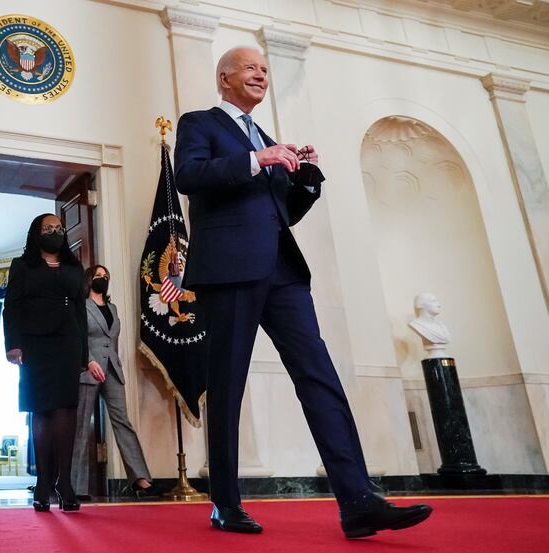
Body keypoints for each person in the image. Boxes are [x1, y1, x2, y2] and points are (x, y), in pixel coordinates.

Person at [173, 46, 432, 538]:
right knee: (227, 388)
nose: (261, 75)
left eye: (265, 70)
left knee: (320, 377)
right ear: (224, 77)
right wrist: (256, 159)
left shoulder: (266, 138)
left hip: (283, 272)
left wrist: (306, 180)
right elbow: (189, 176)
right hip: (228, 271)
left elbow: (281, 212)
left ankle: (357, 501)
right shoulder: (200, 123)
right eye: (251, 68)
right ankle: (225, 504)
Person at [3, 213, 87, 513]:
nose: (55, 232)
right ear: (36, 233)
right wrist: (13, 344)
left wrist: (84, 354)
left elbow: (80, 309)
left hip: (68, 342)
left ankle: (65, 484)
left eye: (59, 228)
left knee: (66, 410)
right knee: (41, 410)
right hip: (35, 343)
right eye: (48, 228)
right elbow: (11, 306)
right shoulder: (22, 265)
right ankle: (42, 483)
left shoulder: (75, 266)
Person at [71, 265, 158, 498]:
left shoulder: (113, 308)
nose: (103, 279)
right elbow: (77, 338)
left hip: (113, 371)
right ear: (89, 280)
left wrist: (114, 366)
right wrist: (89, 362)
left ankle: (141, 478)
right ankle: (75, 486)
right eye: (98, 276)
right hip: (88, 370)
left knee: (122, 422)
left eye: (106, 276)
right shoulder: (81, 307)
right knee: (81, 428)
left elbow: (112, 340)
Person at [408, 293, 451, 359]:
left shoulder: (441, 325)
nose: (439, 305)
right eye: (433, 301)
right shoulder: (415, 325)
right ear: (420, 305)